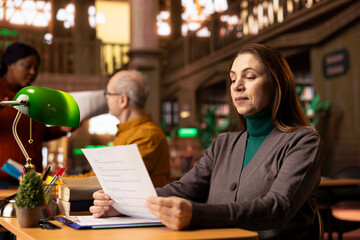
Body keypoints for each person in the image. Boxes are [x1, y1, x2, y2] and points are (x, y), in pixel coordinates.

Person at [90, 44, 322, 239]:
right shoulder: (224, 143)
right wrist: (121, 202)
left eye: (249, 77)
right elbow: (183, 190)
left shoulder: (303, 141)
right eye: (233, 79)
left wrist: (196, 214)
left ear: (277, 83)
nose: (237, 85)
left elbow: (278, 208)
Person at [0, 42, 71, 186]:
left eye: (36, 68)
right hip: (3, 180)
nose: (33, 72)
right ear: (10, 64)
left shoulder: (31, 96)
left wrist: (61, 130)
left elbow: (37, 134)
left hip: (31, 180)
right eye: (28, 66)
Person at [102, 70, 170, 187]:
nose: (106, 98)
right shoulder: (130, 131)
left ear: (122, 100)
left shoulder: (147, 135)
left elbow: (116, 179)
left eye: (108, 93)